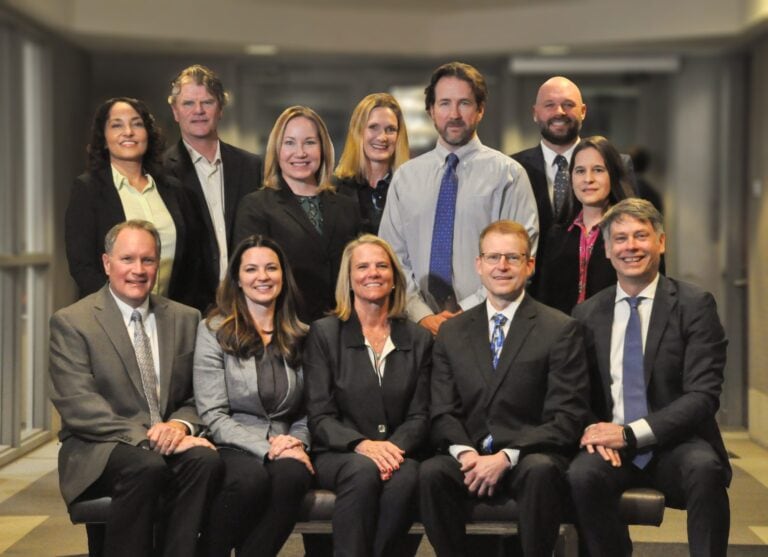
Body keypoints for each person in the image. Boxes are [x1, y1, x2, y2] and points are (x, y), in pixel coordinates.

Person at [569, 198, 731, 557]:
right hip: (611, 448)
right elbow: (574, 391)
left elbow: (703, 395)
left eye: (641, 236)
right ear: (607, 250)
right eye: (620, 238)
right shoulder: (585, 314)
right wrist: (593, 431)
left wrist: (631, 433)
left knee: (706, 470)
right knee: (581, 475)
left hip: (676, 443)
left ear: (661, 242)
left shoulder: (694, 305)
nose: (631, 247)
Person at [49, 220, 222, 557]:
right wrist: (148, 438)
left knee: (206, 461)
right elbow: (79, 404)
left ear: (158, 265)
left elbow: (198, 394)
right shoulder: (73, 321)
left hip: (169, 439)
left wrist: (178, 425)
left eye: (148, 260)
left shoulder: (186, 318)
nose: (138, 270)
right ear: (106, 263)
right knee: (146, 465)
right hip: (101, 446)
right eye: (127, 259)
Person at [419, 220, 589, 557]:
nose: (502, 266)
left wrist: (506, 457)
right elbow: (441, 410)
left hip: (528, 455)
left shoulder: (560, 328)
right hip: (469, 456)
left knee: (540, 470)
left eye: (512, 257)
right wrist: (467, 454)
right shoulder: (452, 332)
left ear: (530, 265)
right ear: (478, 265)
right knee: (431, 473)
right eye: (493, 257)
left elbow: (566, 417)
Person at [379, 61, 538, 336]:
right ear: (430, 110)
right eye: (444, 103)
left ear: (480, 110)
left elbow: (521, 256)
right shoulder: (405, 178)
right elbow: (392, 257)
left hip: (489, 325)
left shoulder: (509, 175)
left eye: (464, 103)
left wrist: (467, 312)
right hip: (417, 330)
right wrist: (423, 316)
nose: (454, 114)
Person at [304, 234, 432, 557]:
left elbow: (421, 414)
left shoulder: (418, 339)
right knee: (362, 471)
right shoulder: (325, 333)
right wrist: (363, 446)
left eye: (381, 266)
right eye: (362, 266)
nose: (372, 273)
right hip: (340, 452)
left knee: (409, 479)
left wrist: (391, 448)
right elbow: (320, 416)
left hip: (398, 453)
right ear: (348, 279)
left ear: (394, 278)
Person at [194, 235, 313, 557]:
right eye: (251, 269)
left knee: (292, 476)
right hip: (232, 443)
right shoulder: (213, 330)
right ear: (237, 279)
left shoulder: (302, 333)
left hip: (285, 442)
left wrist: (295, 443)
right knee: (250, 480)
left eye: (271, 268)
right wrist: (266, 449)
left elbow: (309, 409)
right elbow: (213, 413)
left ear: (283, 276)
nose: (262, 277)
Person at [65, 97, 208, 311]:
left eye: (137, 123)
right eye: (117, 125)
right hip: (110, 318)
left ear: (148, 134)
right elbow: (82, 266)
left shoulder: (175, 190)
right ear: (103, 138)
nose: (128, 132)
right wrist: (120, 313)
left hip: (169, 317)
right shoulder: (88, 189)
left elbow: (193, 260)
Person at [234, 105, 361, 323]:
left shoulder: (347, 207)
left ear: (323, 148)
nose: (300, 153)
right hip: (286, 329)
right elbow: (251, 278)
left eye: (309, 142)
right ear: (276, 149)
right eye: (289, 143)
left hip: (344, 328)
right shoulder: (255, 207)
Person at [511, 76, 635, 283]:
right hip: (530, 295)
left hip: (601, 292)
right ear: (535, 113)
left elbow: (640, 229)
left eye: (568, 105)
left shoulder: (617, 164)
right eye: (549, 105)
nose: (559, 112)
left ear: (583, 111)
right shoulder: (513, 169)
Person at [164, 65, 263, 309]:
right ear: (175, 111)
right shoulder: (159, 172)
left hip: (246, 306)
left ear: (220, 109)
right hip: (187, 308)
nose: (198, 111)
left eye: (207, 102)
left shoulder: (252, 167)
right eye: (188, 104)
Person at [536, 136, 633, 314]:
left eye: (598, 170)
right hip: (564, 336)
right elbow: (545, 299)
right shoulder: (557, 234)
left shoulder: (631, 234)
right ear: (571, 178)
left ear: (613, 174)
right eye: (580, 171)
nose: (588, 179)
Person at [334, 93, 410, 233]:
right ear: (358, 131)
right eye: (373, 127)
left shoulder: (410, 190)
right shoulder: (334, 190)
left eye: (390, 129)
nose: (382, 137)